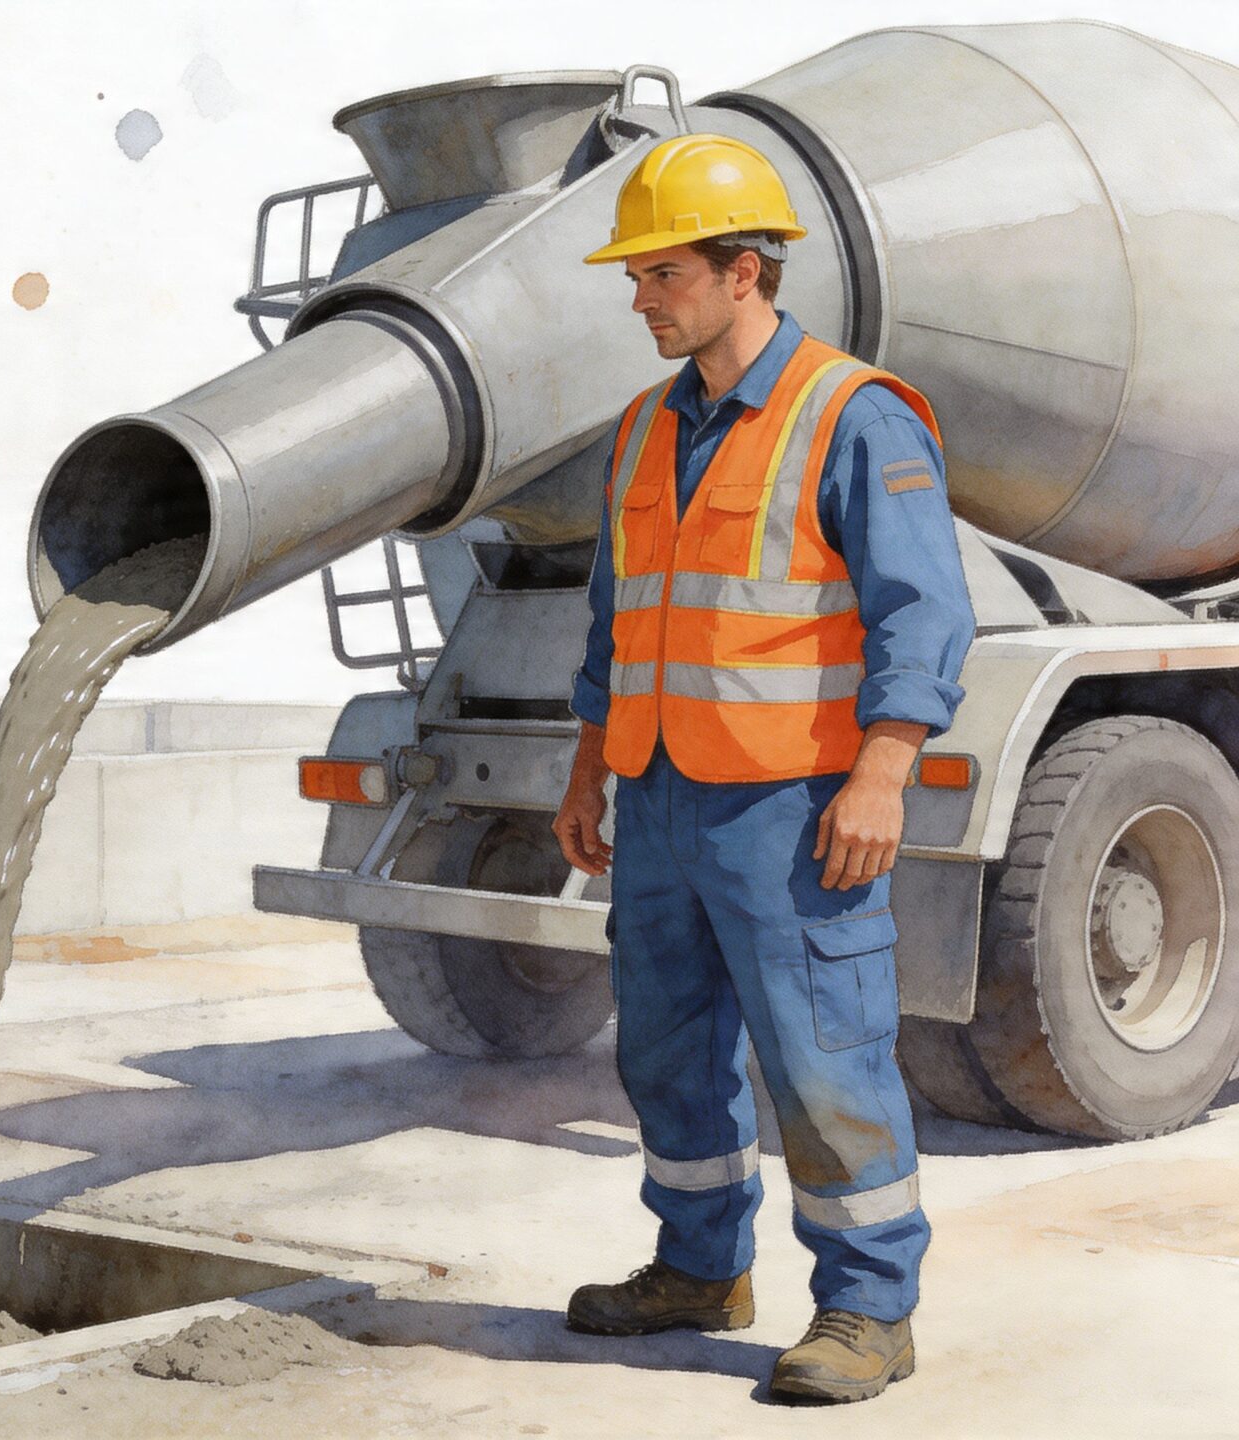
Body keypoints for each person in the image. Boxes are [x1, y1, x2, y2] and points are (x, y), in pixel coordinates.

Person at [549, 133, 974, 1406]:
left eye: (661, 273)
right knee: (666, 1059)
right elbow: (615, 626)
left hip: (793, 811)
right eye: (635, 275)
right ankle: (696, 1271)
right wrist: (586, 771)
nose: (639, 298)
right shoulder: (640, 430)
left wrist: (882, 774)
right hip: (661, 796)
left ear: (745, 273)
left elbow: (923, 614)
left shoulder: (854, 414)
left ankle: (864, 1310)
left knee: (821, 1060)